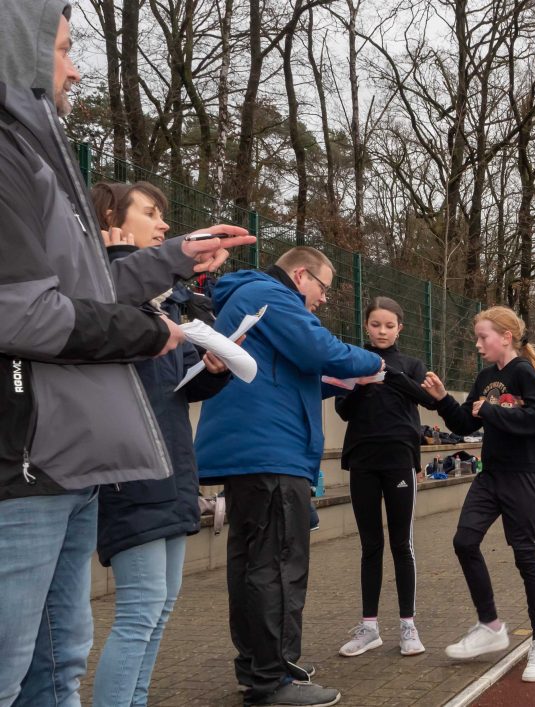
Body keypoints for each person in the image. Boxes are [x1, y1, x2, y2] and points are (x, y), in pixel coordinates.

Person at [0, 5, 253, 704]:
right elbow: (20, 311)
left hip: (68, 466)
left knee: (58, 666)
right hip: (25, 463)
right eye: (61, 48)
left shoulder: (38, 149)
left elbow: (90, 289)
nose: (75, 66)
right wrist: (148, 332)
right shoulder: (7, 154)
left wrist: (173, 260)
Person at [195, 247, 383, 707]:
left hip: (250, 452)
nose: (320, 301)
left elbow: (283, 372)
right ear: (301, 275)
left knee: (250, 566)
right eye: (321, 288)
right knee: (278, 566)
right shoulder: (271, 296)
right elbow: (319, 349)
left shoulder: (248, 296)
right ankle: (273, 678)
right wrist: (372, 364)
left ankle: (259, 666)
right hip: (271, 452)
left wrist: (339, 381)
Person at [89, 181, 235, 706]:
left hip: (173, 462)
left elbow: (173, 387)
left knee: (161, 609)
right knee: (140, 610)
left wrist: (213, 369)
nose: (165, 224)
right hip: (132, 467)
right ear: (114, 218)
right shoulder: (108, 287)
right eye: (151, 212)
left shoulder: (165, 299)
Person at [420, 306, 535, 683]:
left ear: (506, 337)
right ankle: (490, 625)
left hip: (525, 477)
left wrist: (494, 413)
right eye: (477, 337)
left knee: (525, 557)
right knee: (464, 541)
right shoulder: (486, 377)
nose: (478, 343)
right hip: (491, 476)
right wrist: (441, 399)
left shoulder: (524, 374)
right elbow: (467, 423)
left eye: (483, 336)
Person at [334, 296, 440, 658]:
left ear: (400, 329)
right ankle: (369, 628)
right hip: (362, 461)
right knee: (370, 546)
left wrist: (386, 372)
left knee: (401, 544)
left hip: (399, 460)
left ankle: (408, 626)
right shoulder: (352, 360)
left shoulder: (410, 364)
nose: (381, 331)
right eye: (376, 324)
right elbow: (344, 410)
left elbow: (424, 399)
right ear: (366, 325)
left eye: (389, 325)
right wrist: (362, 381)